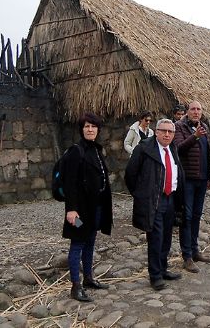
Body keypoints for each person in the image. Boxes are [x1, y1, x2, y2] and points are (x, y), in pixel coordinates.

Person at [125, 118, 184, 291]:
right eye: (163, 131)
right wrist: (141, 195)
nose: (167, 134)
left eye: (170, 132)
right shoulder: (144, 149)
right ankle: (155, 275)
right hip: (154, 200)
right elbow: (130, 174)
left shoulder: (172, 149)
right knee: (155, 238)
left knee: (166, 236)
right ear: (156, 132)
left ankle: (163, 269)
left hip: (170, 198)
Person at [62, 112, 113, 302]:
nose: (90, 130)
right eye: (86, 126)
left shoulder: (95, 150)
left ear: (98, 129)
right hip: (80, 210)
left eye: (93, 126)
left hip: (95, 208)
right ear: (81, 129)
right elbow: (70, 183)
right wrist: (71, 210)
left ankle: (89, 278)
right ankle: (75, 287)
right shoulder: (77, 151)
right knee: (77, 244)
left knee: (90, 241)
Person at [174, 101, 210, 273]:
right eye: (193, 109)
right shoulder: (179, 126)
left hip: (202, 179)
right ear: (187, 112)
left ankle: (195, 250)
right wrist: (195, 136)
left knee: (197, 215)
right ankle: (187, 256)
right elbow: (178, 149)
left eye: (198, 109)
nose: (196, 112)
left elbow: (206, 153)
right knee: (187, 216)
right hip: (187, 180)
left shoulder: (204, 127)